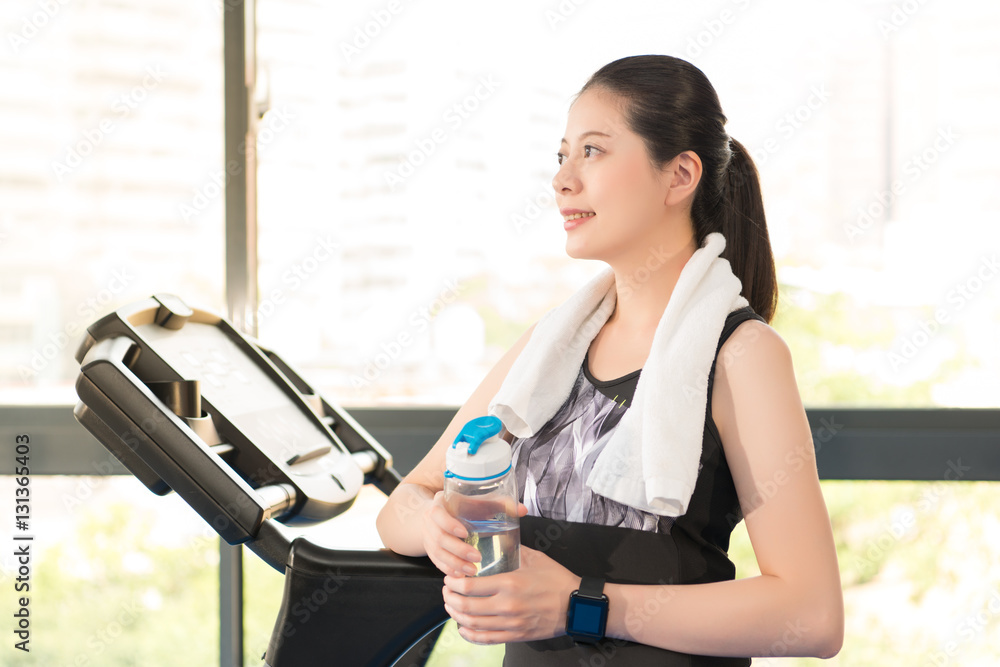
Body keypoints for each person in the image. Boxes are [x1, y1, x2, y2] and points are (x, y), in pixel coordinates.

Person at [376, 54, 844, 664]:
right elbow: (402, 504)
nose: (563, 180)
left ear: (679, 176)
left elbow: (811, 616)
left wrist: (580, 604)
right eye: (562, 155)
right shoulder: (552, 348)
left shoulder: (742, 356)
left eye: (593, 152)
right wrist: (434, 528)